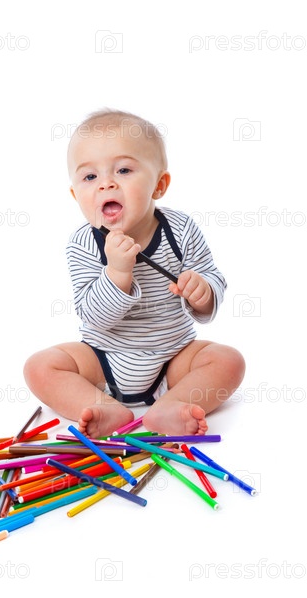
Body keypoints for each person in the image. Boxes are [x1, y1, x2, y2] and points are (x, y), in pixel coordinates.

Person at [23, 109, 245, 438]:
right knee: (40, 367)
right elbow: (93, 317)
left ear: (159, 185)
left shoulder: (180, 229)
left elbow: (211, 277)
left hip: (173, 359)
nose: (106, 184)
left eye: (124, 170)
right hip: (102, 360)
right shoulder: (83, 243)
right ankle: (104, 407)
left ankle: (171, 405)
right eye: (89, 177)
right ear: (75, 195)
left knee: (228, 361)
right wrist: (116, 272)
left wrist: (203, 291)